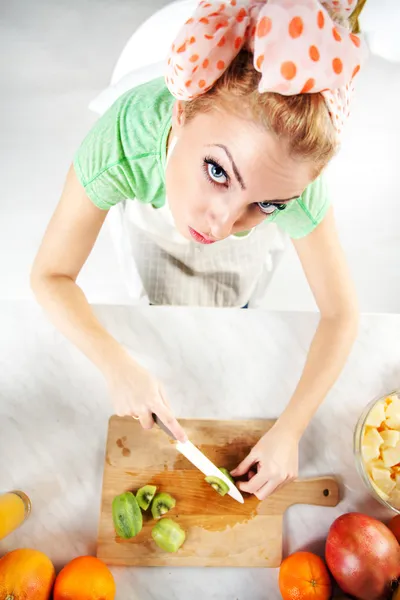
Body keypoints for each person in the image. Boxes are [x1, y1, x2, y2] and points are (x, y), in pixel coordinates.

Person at [31, 0, 367, 500]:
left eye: (267, 205)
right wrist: (117, 365)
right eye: (216, 172)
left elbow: (342, 314)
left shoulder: (294, 182)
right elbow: (49, 277)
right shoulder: (122, 146)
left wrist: (290, 430)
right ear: (182, 110)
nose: (225, 223)